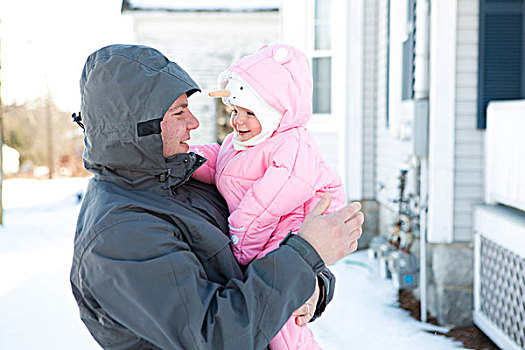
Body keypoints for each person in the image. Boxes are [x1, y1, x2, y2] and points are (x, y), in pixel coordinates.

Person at [70, 44, 364, 350]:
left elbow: (262, 260)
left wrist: (312, 284)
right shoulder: (121, 233)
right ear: (137, 127)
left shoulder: (176, 177)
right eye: (179, 112)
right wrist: (305, 256)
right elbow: (216, 336)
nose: (194, 122)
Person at [190, 44, 345, 350]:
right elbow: (219, 163)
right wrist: (185, 160)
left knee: (280, 310)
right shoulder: (245, 141)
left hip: (292, 227)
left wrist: (240, 250)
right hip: (267, 226)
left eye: (250, 113)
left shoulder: (292, 146)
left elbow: (265, 204)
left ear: (276, 112)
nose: (238, 121)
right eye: (235, 111)